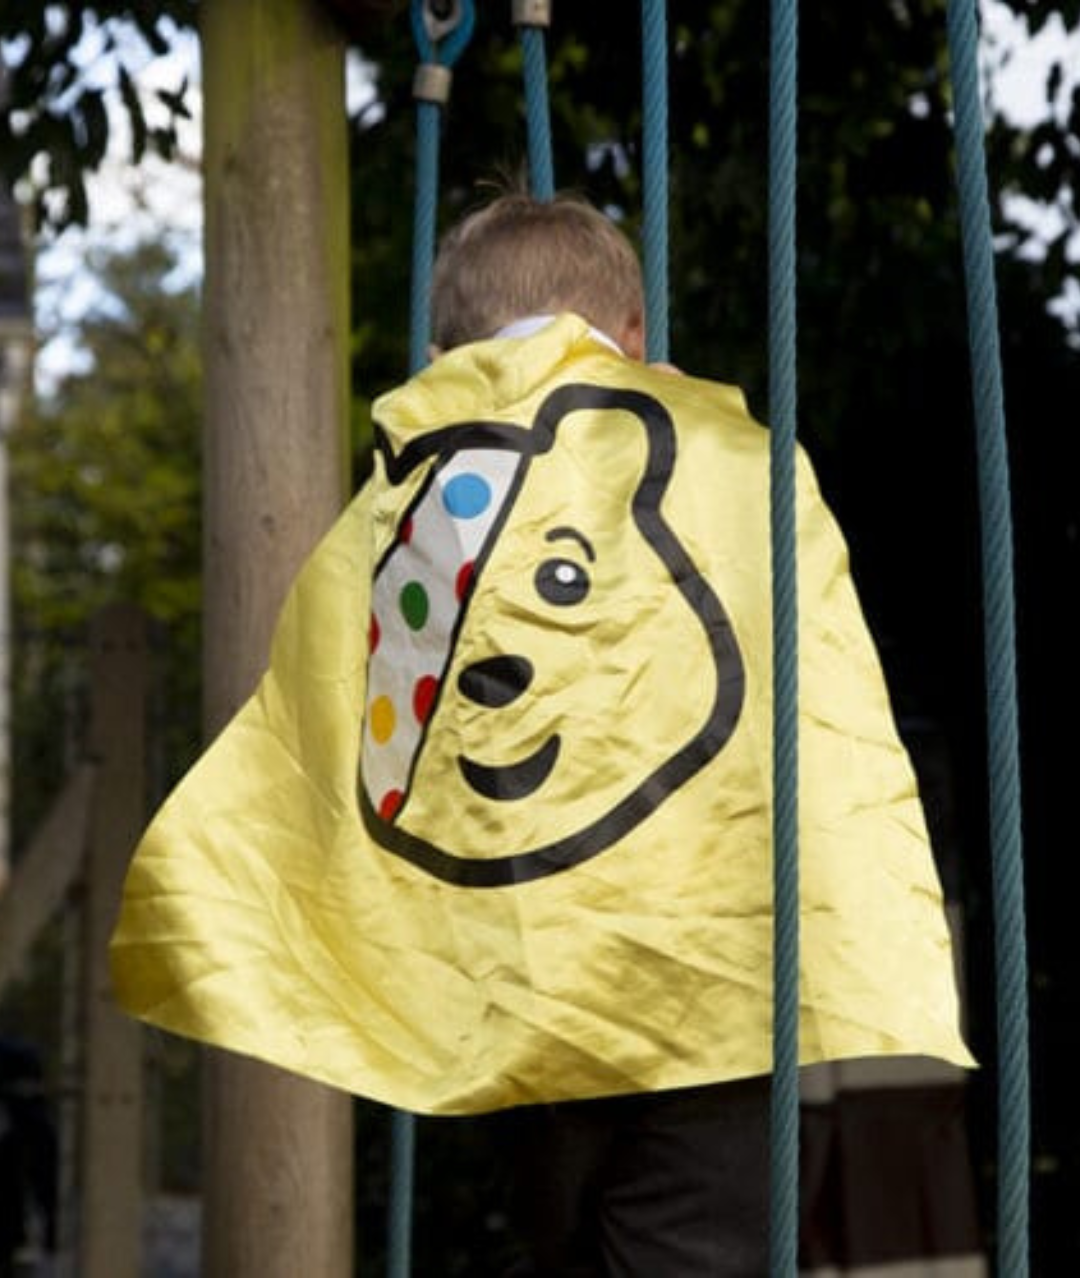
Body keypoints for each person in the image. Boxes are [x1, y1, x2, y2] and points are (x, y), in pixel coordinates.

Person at [110, 189, 974, 1276]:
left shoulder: (401, 504)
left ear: (442, 357)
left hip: (520, 999)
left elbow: (321, 726)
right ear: (634, 337)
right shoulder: (738, 461)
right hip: (721, 989)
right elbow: (827, 705)